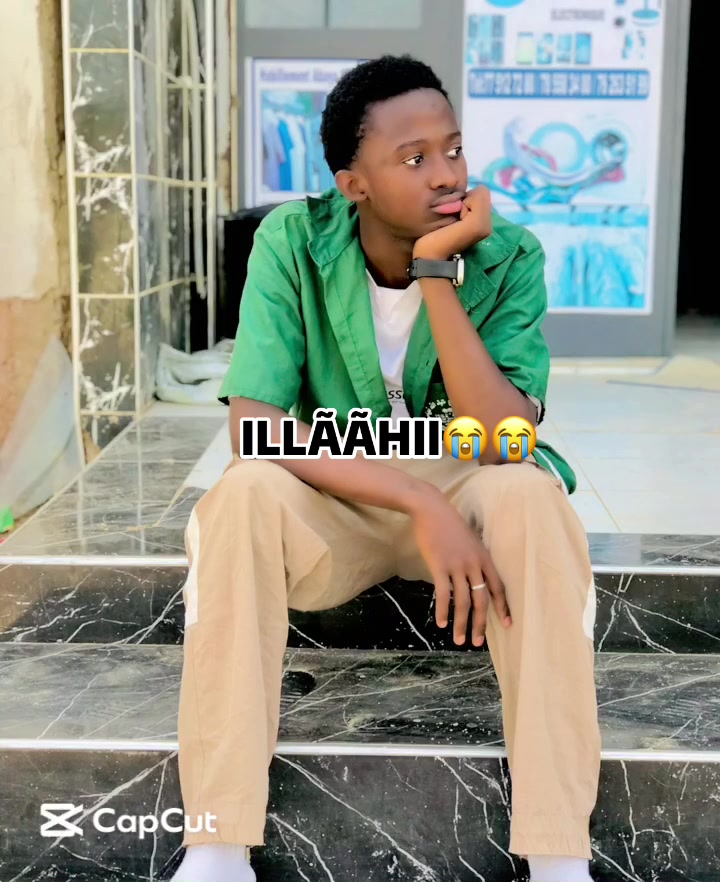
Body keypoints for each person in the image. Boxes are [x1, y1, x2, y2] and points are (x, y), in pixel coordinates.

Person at [171, 54, 600, 882]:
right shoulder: (292, 241)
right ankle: (217, 845)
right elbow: (255, 429)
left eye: (454, 149)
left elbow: (504, 435)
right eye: (414, 158)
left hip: (469, 482)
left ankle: (557, 855)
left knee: (530, 496)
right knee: (243, 494)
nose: (446, 174)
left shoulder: (508, 254)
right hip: (343, 500)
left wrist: (438, 272)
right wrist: (414, 500)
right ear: (353, 184)